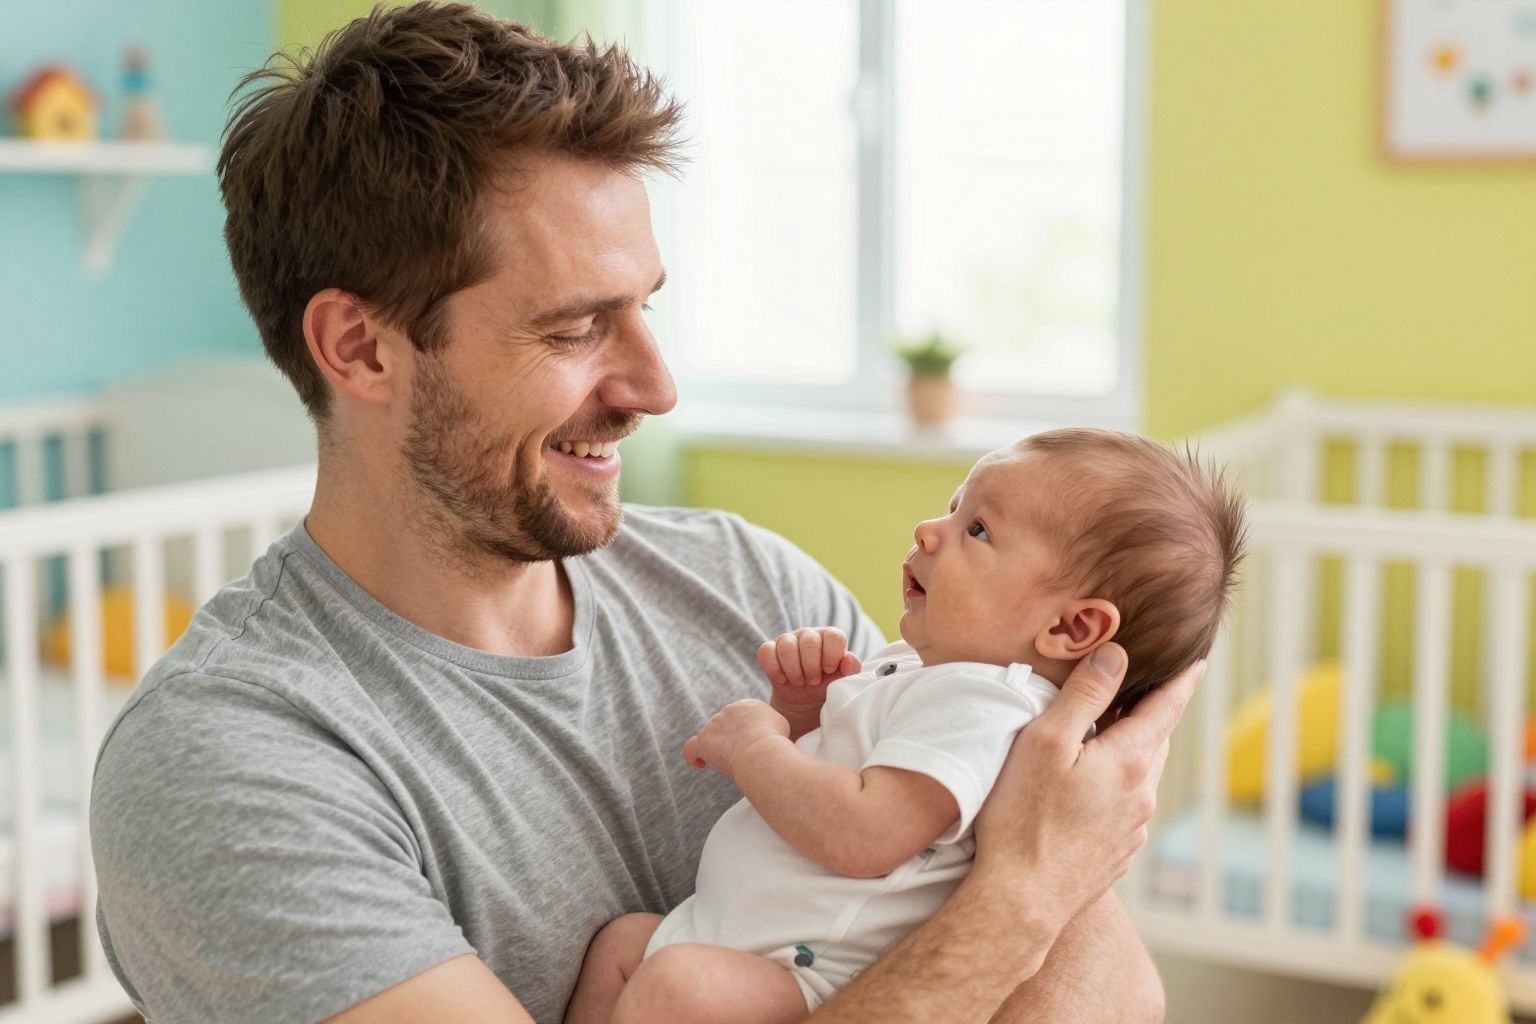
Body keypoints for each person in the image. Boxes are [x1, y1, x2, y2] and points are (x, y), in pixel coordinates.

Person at [87, 5, 1200, 1023]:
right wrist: (1025, 898)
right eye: (576, 328)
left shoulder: (751, 583)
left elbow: (1111, 999)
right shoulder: (232, 765)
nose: (657, 387)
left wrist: (1027, 897)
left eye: (646, 309)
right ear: (360, 348)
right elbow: (1020, 906)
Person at [565, 430, 1245, 1023]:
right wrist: (805, 711)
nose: (928, 529)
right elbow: (840, 774)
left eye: (978, 530)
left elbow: (865, 833)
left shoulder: (986, 705)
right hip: (736, 936)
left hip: (811, 972)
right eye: (953, 507)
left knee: (674, 987)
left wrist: (755, 746)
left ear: (1071, 627)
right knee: (623, 945)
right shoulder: (928, 670)